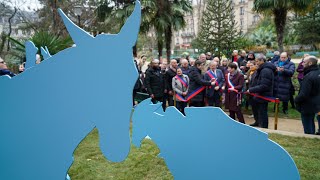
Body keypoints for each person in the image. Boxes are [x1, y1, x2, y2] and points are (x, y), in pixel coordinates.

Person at [248, 54, 276, 128]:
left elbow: (264, 86)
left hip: (263, 95)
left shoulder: (266, 70)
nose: (256, 63)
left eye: (257, 61)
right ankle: (258, 122)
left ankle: (264, 127)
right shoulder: (261, 69)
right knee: (258, 111)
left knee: (262, 112)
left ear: (262, 61)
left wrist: (251, 90)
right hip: (258, 94)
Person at [295, 56, 320, 135]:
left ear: (310, 63)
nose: (302, 64)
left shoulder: (308, 76)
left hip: (308, 105)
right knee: (311, 122)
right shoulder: (318, 72)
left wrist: (296, 100)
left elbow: (304, 94)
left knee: (308, 125)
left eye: (304, 62)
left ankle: (310, 136)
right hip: (316, 103)